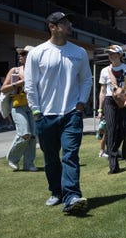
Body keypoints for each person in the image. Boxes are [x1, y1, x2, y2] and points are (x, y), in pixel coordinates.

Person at [24, 12, 92, 214]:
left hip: (72, 113)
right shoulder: (38, 53)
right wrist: (36, 111)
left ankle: (72, 196)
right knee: (51, 158)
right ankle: (56, 191)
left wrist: (81, 103)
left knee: (70, 155)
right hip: (45, 115)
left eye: (69, 22)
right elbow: (30, 84)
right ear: (52, 27)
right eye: (64, 23)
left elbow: (86, 79)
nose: (69, 25)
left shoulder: (79, 52)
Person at [98, 45, 126, 174]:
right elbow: (103, 91)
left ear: (120, 55)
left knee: (125, 130)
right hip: (110, 101)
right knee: (111, 130)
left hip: (125, 100)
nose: (110, 56)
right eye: (109, 54)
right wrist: (100, 109)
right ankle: (113, 165)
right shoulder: (105, 71)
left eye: (113, 53)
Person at [2, 46, 38, 171]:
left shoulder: (37, 71)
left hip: (33, 106)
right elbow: (3, 89)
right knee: (25, 134)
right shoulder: (15, 70)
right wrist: (17, 83)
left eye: (24, 54)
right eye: (20, 54)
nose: (20, 56)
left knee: (33, 136)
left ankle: (29, 164)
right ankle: (12, 158)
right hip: (18, 106)